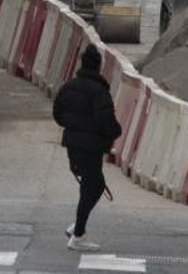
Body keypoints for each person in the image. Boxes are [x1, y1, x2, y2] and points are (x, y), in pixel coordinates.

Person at [52, 45, 122, 250]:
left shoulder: (69, 87)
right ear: (98, 67)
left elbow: (58, 113)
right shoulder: (99, 92)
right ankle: (78, 234)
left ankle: (77, 228)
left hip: (73, 145)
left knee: (89, 186)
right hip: (91, 147)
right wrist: (115, 132)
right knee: (95, 186)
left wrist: (73, 126)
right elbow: (105, 120)